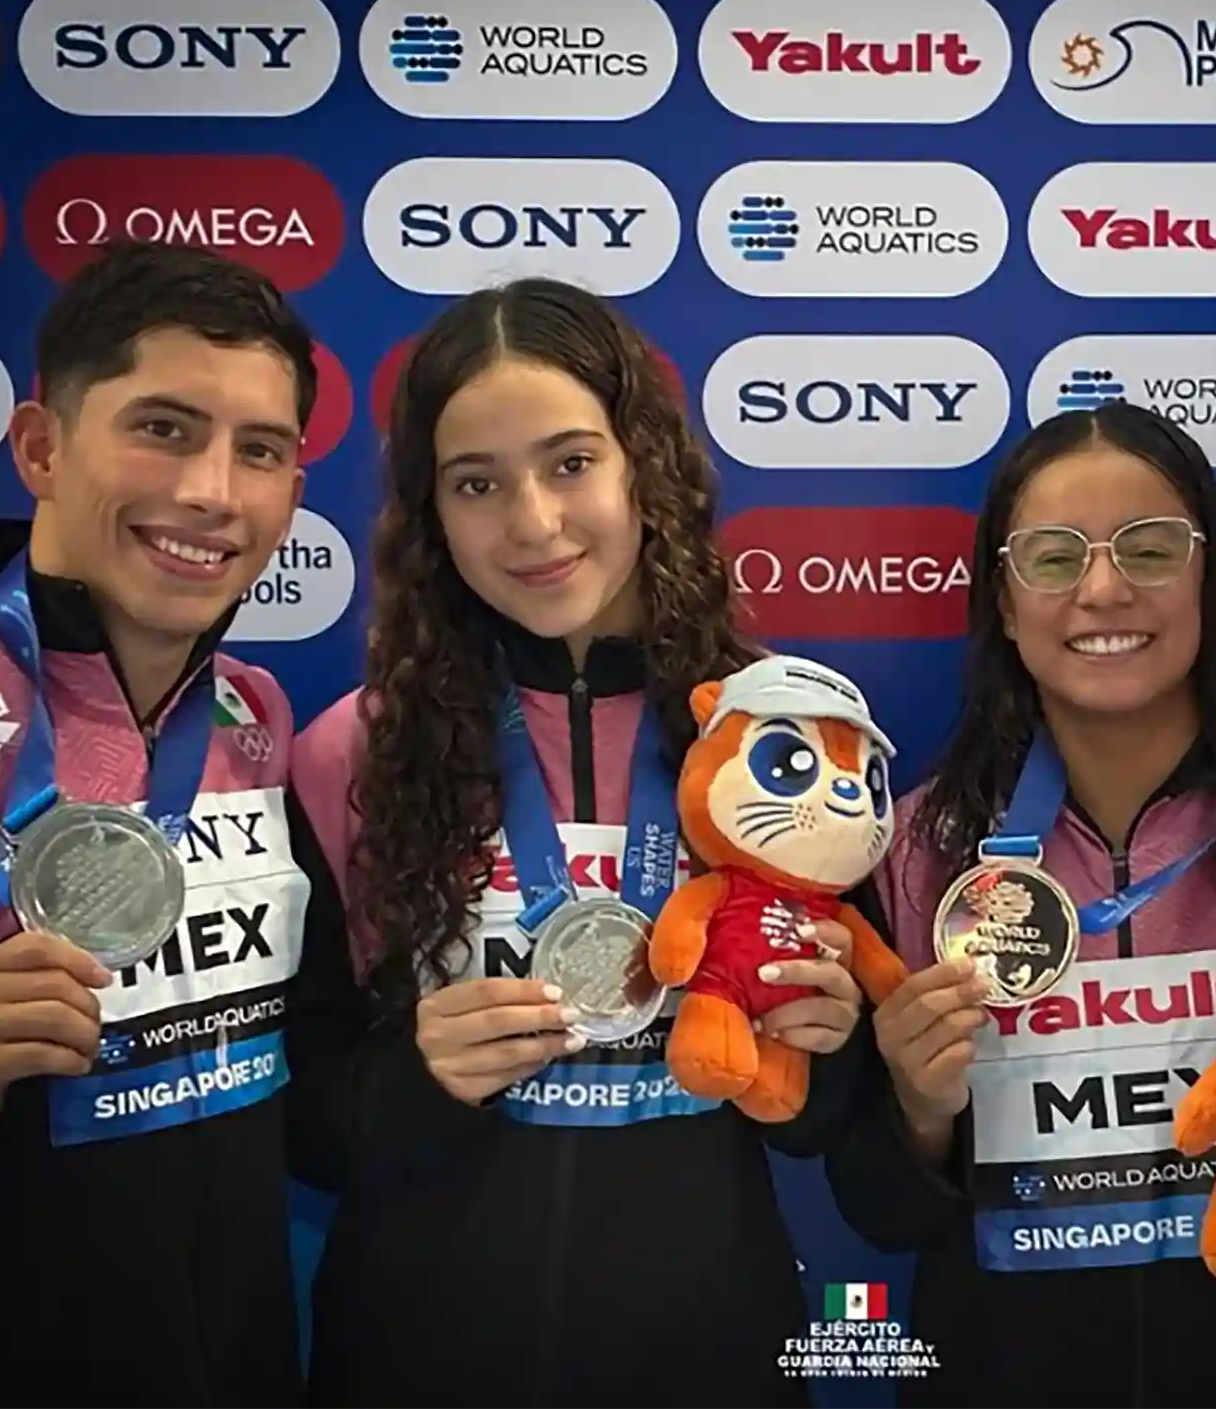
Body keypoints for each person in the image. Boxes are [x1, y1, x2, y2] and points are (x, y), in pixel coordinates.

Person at [284, 278, 869, 1404]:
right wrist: (410, 1079)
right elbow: (300, 1127)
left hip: (711, 1355)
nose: (534, 522)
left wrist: (830, 1042)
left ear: (641, 465)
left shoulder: (776, 745)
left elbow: (827, 1132)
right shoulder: (349, 754)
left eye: (569, 462)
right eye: (477, 483)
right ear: (431, 515)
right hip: (416, 1357)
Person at [823, 403, 1216, 1407]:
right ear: (999, 595)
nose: (1104, 587)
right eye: (1051, 557)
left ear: (1211, 576)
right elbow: (875, 1213)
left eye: (1152, 547)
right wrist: (916, 1108)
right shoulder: (910, 849)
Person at [0, 240, 318, 1405]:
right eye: (165, 428)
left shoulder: (258, 717)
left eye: (262, 451)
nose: (212, 492)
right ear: (39, 446)